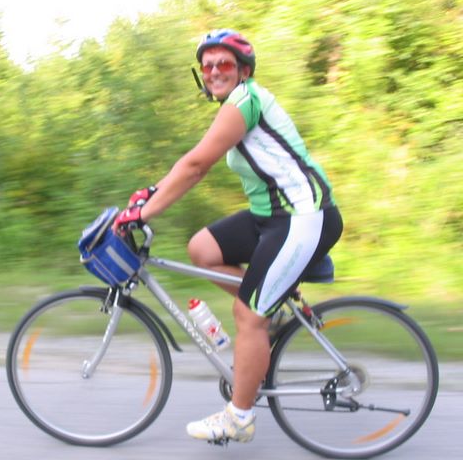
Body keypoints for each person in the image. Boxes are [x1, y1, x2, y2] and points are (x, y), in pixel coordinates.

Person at [113, 28, 343, 444]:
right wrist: (150, 193)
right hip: (271, 216)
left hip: (303, 217)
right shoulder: (234, 105)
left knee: (247, 316)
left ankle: (239, 417)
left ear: (243, 71)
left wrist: (143, 213)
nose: (215, 71)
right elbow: (191, 161)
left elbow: (196, 166)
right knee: (202, 248)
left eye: (224, 64)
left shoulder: (245, 100)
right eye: (208, 65)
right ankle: (270, 314)